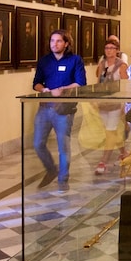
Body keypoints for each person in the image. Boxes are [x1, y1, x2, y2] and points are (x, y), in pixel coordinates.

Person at [32, 30, 87, 191]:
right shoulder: (44, 61)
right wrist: (44, 90)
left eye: (58, 41)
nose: (54, 44)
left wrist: (62, 89)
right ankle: (51, 170)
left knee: (63, 145)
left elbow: (80, 83)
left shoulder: (75, 60)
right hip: (45, 107)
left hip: (64, 109)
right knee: (37, 143)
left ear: (66, 43)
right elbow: (36, 83)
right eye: (52, 41)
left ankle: (63, 179)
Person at [93, 37, 129, 175]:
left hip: (116, 102)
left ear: (117, 50)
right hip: (104, 102)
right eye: (107, 48)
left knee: (110, 131)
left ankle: (103, 161)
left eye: (112, 48)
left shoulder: (121, 65)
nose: (109, 51)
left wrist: (123, 104)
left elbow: (125, 85)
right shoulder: (102, 64)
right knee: (110, 131)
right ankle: (123, 152)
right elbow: (98, 82)